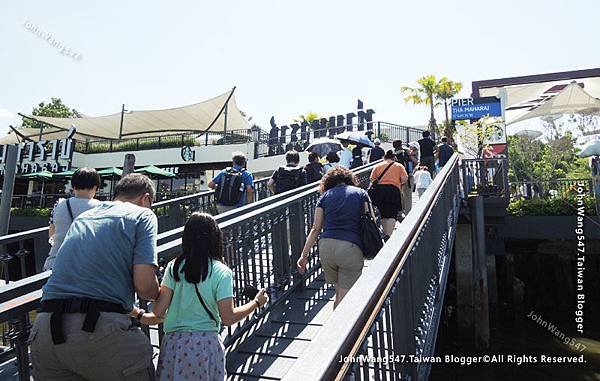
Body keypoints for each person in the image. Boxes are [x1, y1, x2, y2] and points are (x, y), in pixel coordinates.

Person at [31, 173, 160, 380]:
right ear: (145, 199)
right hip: (97, 332)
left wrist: (136, 314)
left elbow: (91, 282)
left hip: (46, 329)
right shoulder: (142, 215)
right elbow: (145, 287)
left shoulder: (85, 217)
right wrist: (162, 295)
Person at [132, 213, 268, 380]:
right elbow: (228, 317)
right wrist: (256, 303)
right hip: (206, 346)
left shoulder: (174, 267)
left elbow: (157, 313)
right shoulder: (222, 272)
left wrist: (133, 312)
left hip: (174, 345)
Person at [296, 167, 373, 308]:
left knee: (339, 293)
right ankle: (339, 329)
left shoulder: (324, 197)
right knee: (346, 299)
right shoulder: (361, 193)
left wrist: (303, 255)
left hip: (326, 247)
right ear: (349, 179)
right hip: (350, 247)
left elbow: (315, 228)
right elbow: (370, 220)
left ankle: (336, 325)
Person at [44, 167, 102, 271]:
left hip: (55, 263)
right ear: (95, 187)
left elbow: (52, 233)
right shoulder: (101, 207)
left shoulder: (60, 204)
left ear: (73, 186)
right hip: (83, 267)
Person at [369, 150, 408, 237]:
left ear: (384, 157)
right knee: (392, 213)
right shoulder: (399, 166)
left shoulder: (378, 166)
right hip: (393, 189)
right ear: (394, 157)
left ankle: (385, 233)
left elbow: (372, 179)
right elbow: (404, 179)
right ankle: (389, 235)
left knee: (383, 212)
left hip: (380, 190)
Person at [392, 140, 414, 218]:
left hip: (397, 178)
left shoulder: (393, 155)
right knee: (408, 195)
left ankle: (399, 211)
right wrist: (410, 173)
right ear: (401, 145)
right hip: (408, 176)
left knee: (399, 195)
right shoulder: (406, 152)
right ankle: (408, 213)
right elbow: (410, 163)